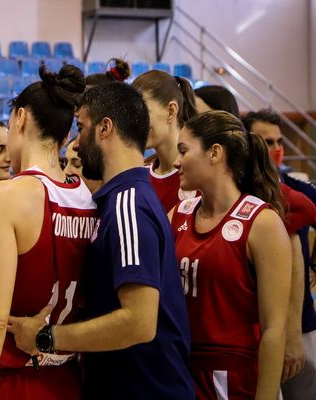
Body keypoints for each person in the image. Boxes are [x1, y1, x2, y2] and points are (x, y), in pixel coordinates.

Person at [6, 81, 194, 399]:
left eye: (81, 128)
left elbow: (139, 321)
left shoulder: (128, 204)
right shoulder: (121, 198)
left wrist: (47, 337)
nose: (77, 143)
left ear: (105, 128)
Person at [0, 64, 98, 399]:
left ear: (20, 118)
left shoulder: (6, 197)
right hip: (68, 379)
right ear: (64, 137)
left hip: (12, 380)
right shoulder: (90, 197)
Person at [171, 110, 291, 399]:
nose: (176, 161)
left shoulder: (262, 222)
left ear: (214, 153)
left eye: (184, 151)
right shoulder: (178, 214)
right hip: (181, 369)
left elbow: (274, 330)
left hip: (235, 378)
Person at [243, 108, 316, 399]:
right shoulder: (240, 192)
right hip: (255, 330)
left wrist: (314, 263)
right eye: (266, 142)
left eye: (279, 141)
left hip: (298, 325)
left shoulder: (295, 192)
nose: (275, 149)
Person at [131, 70, 198, 212]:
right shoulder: (139, 176)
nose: (135, 122)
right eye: (132, 114)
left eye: (143, 112)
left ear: (171, 111)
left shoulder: (200, 175)